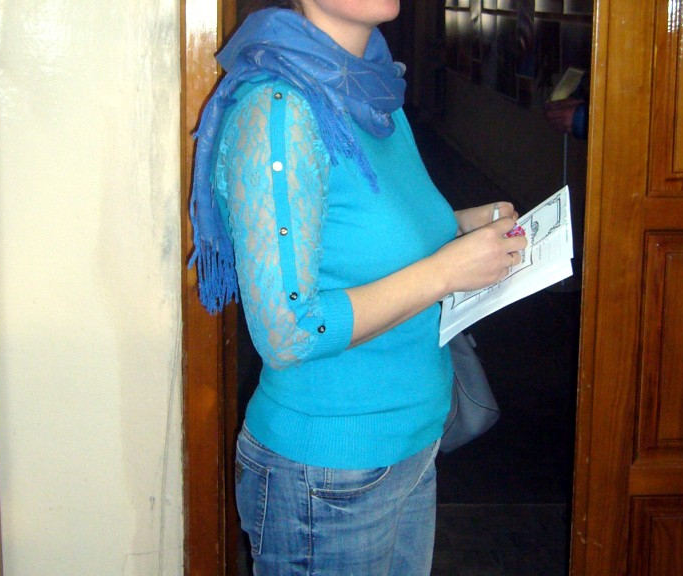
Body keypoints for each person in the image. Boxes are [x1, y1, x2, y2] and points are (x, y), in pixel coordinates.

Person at [188, 1, 527, 573]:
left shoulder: (371, 88)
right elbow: (288, 332)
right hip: (329, 476)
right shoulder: (281, 109)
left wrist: (463, 228)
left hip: (411, 445)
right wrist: (447, 271)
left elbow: (359, 236)